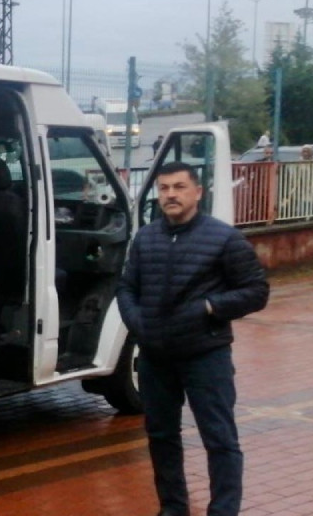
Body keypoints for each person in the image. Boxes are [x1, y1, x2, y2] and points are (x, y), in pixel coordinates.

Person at [116, 162, 269, 516]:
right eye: (165, 187)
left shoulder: (224, 238)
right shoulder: (147, 237)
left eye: (179, 187)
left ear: (197, 192)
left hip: (206, 356)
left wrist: (210, 306)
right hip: (156, 358)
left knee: (220, 440)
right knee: (161, 438)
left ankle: (223, 510)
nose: (171, 194)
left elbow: (256, 291)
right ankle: (172, 508)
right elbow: (126, 287)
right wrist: (140, 324)